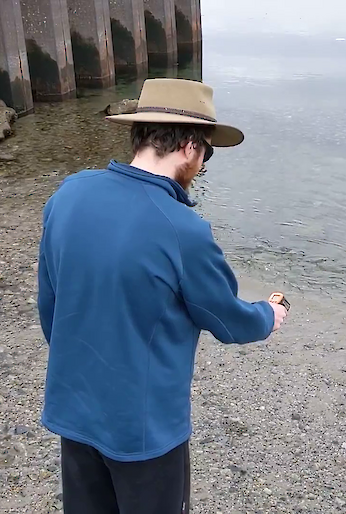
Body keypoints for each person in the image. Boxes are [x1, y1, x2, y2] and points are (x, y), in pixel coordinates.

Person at [37, 78, 288, 514]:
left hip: (73, 410)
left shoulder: (69, 193)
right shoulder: (183, 228)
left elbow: (49, 306)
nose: (203, 166)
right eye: (206, 155)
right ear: (190, 147)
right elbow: (228, 320)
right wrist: (269, 313)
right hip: (144, 432)